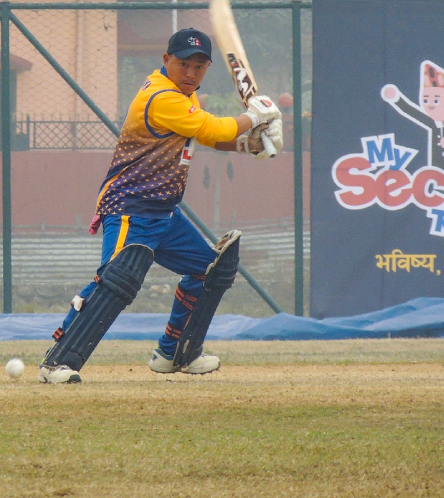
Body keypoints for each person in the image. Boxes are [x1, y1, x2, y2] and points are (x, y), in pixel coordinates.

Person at [38, 28, 283, 384]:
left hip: (164, 214)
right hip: (130, 208)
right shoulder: (160, 96)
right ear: (166, 60)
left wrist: (251, 144)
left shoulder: (185, 97)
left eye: (199, 67)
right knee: (114, 281)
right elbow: (214, 129)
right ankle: (57, 362)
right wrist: (257, 116)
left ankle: (174, 353)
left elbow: (203, 137)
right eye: (183, 64)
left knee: (209, 271)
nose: (190, 73)